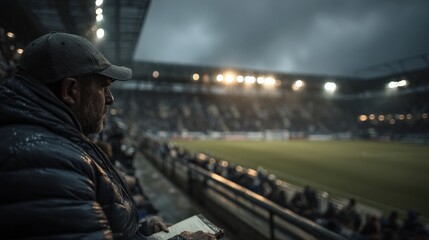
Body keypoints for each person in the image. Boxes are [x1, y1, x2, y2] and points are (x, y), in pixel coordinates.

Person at [0, 32, 215, 240]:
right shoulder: (49, 161)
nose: (111, 99)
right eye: (104, 88)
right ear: (71, 91)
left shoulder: (46, 144)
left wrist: (142, 232)